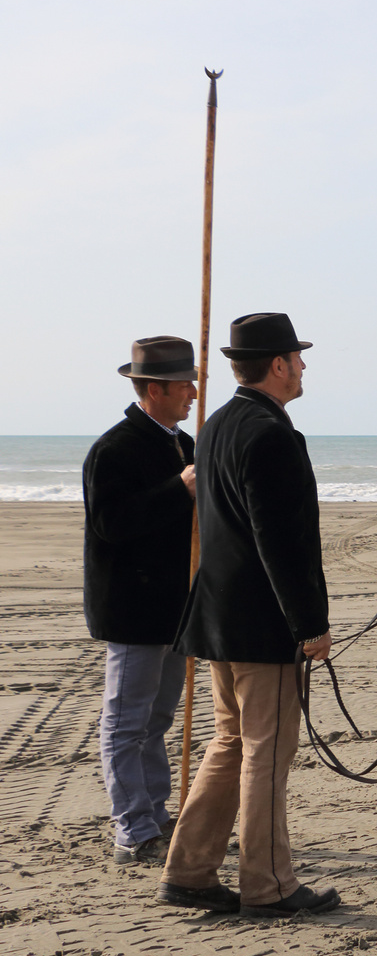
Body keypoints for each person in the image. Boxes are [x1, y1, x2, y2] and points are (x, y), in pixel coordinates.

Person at [159, 312, 337, 919]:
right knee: (265, 751)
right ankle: (269, 885)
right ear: (278, 365)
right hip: (263, 625)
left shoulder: (213, 427)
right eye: (298, 357)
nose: (304, 366)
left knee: (231, 743)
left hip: (218, 617)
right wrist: (309, 623)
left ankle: (188, 870)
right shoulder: (270, 434)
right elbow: (278, 542)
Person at [83, 336, 198, 866]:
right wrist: (180, 488)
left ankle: (154, 812)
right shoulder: (115, 448)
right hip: (132, 611)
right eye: (183, 385)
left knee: (156, 722)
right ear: (153, 390)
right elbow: (112, 525)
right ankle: (133, 828)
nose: (193, 392)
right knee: (126, 724)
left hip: (177, 609)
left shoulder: (184, 445)